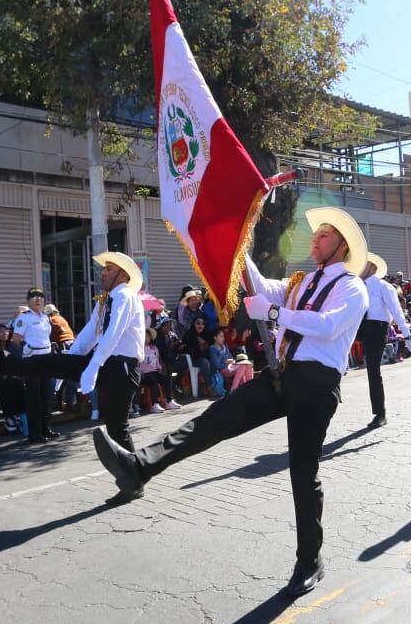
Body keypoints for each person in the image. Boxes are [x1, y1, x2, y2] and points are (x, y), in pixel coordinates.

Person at [91, 208, 370, 599]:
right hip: (282, 375)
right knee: (215, 419)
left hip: (318, 384)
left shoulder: (352, 287)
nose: (315, 239)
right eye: (316, 234)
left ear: (342, 247)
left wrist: (274, 313)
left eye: (324, 235)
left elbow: (327, 327)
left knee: (302, 473)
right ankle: (139, 467)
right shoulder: (301, 282)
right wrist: (238, 244)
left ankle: (310, 560)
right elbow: (257, 283)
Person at [0, 252, 147, 458]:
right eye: (103, 269)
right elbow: (88, 335)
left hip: (122, 369)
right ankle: (3, 363)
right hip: (110, 366)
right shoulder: (105, 300)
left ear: (123, 276)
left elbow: (113, 333)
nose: (103, 273)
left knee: (117, 429)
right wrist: (65, 370)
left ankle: (135, 476)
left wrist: (93, 366)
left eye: (109, 269)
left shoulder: (125, 295)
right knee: (54, 362)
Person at [359, 253, 411, 429]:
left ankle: (380, 413)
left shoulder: (384, 287)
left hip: (377, 329)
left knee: (373, 370)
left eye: (363, 265)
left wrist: (407, 336)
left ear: (372, 268)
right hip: (358, 326)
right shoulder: (356, 286)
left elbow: (397, 312)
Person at [9, 288, 56, 442]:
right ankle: (34, 434)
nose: (37, 299)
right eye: (34, 297)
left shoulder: (45, 317)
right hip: (32, 359)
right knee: (34, 399)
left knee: (46, 397)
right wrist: (24, 349)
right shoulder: (24, 318)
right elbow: (15, 340)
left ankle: (46, 429)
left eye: (40, 297)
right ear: (28, 301)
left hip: (47, 359)